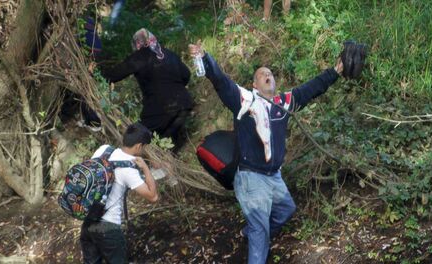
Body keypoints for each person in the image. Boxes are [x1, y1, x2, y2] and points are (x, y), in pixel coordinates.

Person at [188, 43, 345, 264]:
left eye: (270, 73)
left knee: (286, 210)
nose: (267, 75)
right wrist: (205, 58)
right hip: (251, 178)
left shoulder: (284, 103)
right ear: (254, 83)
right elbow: (221, 81)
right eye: (262, 74)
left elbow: (311, 89)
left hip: (274, 176)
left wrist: (335, 72)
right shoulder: (245, 100)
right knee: (260, 233)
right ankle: (256, 238)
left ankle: (251, 233)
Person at [103, 28, 194, 151]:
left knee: (133, 139)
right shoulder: (169, 53)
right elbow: (186, 75)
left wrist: (94, 74)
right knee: (166, 143)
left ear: (137, 44)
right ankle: (165, 163)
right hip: (184, 105)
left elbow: (113, 75)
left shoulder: (139, 57)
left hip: (160, 109)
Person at [80, 123, 159, 263]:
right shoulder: (128, 170)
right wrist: (146, 168)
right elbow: (153, 196)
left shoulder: (103, 150)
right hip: (108, 226)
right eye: (145, 147)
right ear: (139, 146)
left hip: (88, 219)